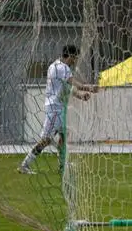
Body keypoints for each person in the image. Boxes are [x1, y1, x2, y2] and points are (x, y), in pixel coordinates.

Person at [18, 45, 98, 175]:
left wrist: (81, 95)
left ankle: (62, 165)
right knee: (46, 140)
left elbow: (66, 89)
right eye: (75, 58)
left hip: (59, 108)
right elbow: (74, 84)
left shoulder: (55, 65)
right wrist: (88, 88)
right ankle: (25, 165)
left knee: (63, 136)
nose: (75, 61)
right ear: (71, 56)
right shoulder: (62, 68)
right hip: (55, 109)